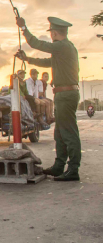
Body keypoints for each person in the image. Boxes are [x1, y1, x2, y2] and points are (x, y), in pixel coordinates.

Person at [15, 16, 81, 182]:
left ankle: (73, 169)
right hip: (63, 94)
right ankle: (59, 167)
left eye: (51, 32)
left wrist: (23, 28)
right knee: (60, 133)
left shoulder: (62, 46)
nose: (50, 35)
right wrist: (28, 59)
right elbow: (47, 62)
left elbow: (37, 44)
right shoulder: (65, 48)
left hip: (65, 95)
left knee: (69, 133)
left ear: (54, 33)